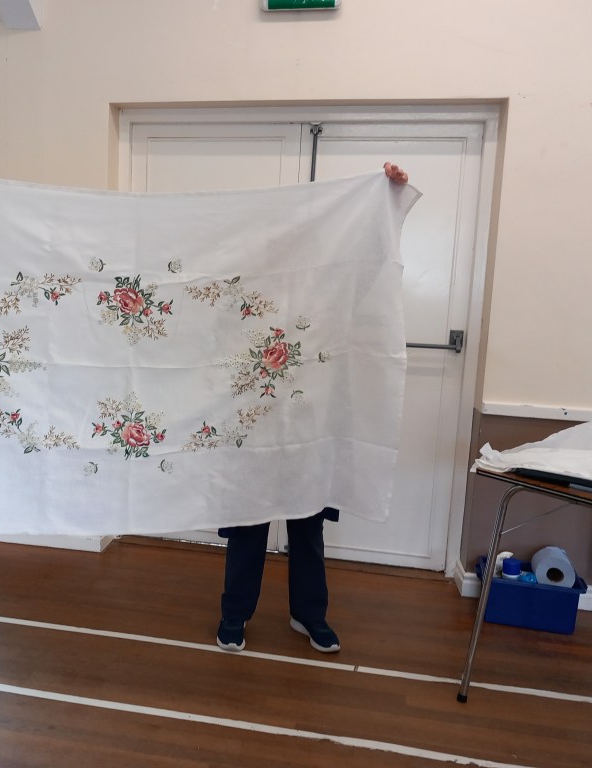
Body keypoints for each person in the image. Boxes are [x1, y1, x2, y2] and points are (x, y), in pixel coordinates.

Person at [216, 161, 410, 654]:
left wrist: (387, 197)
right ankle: (234, 614)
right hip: (254, 426)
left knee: (308, 526)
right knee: (248, 524)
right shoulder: (237, 290)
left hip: (311, 424)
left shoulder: (329, 287)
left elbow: (371, 267)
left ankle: (309, 614)